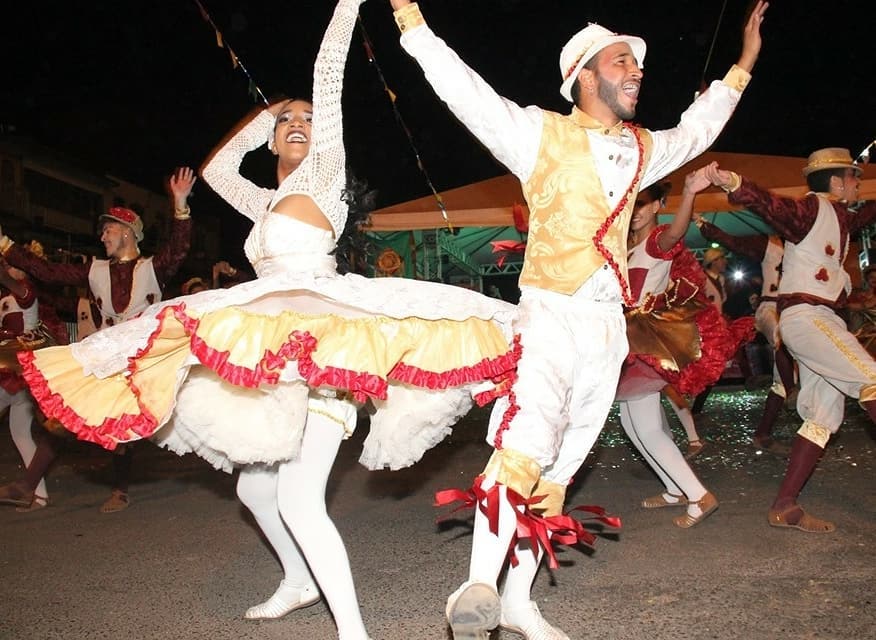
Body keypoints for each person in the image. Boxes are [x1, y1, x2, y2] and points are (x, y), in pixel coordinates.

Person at [16, 1, 516, 638]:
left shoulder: (324, 176)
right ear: (273, 137)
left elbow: (329, 70)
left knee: (300, 501)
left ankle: (355, 633)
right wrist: (265, 118)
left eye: (309, 119)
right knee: (256, 493)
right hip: (268, 354)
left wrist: (345, 6)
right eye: (290, 122)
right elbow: (220, 169)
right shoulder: (266, 198)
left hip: (323, 353)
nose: (302, 124)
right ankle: (299, 579)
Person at [388, 1, 767, 637]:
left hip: (606, 329)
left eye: (638, 63)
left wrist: (744, 61)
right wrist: (412, 23)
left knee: (561, 467)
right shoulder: (539, 133)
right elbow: (466, 92)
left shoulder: (644, 149)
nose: (637, 71)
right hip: (549, 314)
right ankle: (479, 580)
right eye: (623, 61)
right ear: (585, 77)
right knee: (526, 440)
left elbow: (699, 129)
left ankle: (519, 601)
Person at [0, 167, 194, 512]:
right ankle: (25, 485)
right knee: (66, 413)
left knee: (128, 421)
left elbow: (178, 249)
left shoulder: (154, 267)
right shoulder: (94, 269)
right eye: (103, 230)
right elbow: (46, 271)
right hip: (105, 356)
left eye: (110, 229)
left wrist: (180, 204)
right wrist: (5, 244)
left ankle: (120, 489)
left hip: (143, 359)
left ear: (129, 233)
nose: (103, 235)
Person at [702, 147, 876, 533]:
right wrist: (734, 183)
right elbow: (771, 205)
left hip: (814, 321)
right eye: (853, 177)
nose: (858, 184)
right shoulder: (813, 210)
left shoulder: (841, 218)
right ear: (835, 181)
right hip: (807, 318)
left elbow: (865, 213)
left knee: (822, 417)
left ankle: (785, 507)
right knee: (872, 380)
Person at [617, 169, 741, 528]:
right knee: (632, 423)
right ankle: (674, 489)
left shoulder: (658, 239)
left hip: (642, 342)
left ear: (658, 205)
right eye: (632, 203)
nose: (636, 210)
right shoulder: (626, 246)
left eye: (644, 203)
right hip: (626, 339)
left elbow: (675, 231)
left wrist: (689, 194)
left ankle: (699, 495)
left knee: (647, 426)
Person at [695, 216, 796, 456]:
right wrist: (709, 229)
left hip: (788, 310)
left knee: (726, 361)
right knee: (716, 364)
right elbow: (735, 243)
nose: (724, 263)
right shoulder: (770, 245)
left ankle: (764, 427)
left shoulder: (722, 280)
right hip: (720, 323)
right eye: (720, 260)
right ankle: (787, 390)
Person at [0, 253, 63, 511]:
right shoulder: (6, 297)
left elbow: (10, 281)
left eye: (12, 265)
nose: (8, 268)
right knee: (21, 433)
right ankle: (39, 496)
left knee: (25, 433)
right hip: (13, 375)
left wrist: (3, 269)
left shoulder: (26, 293)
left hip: (15, 376)